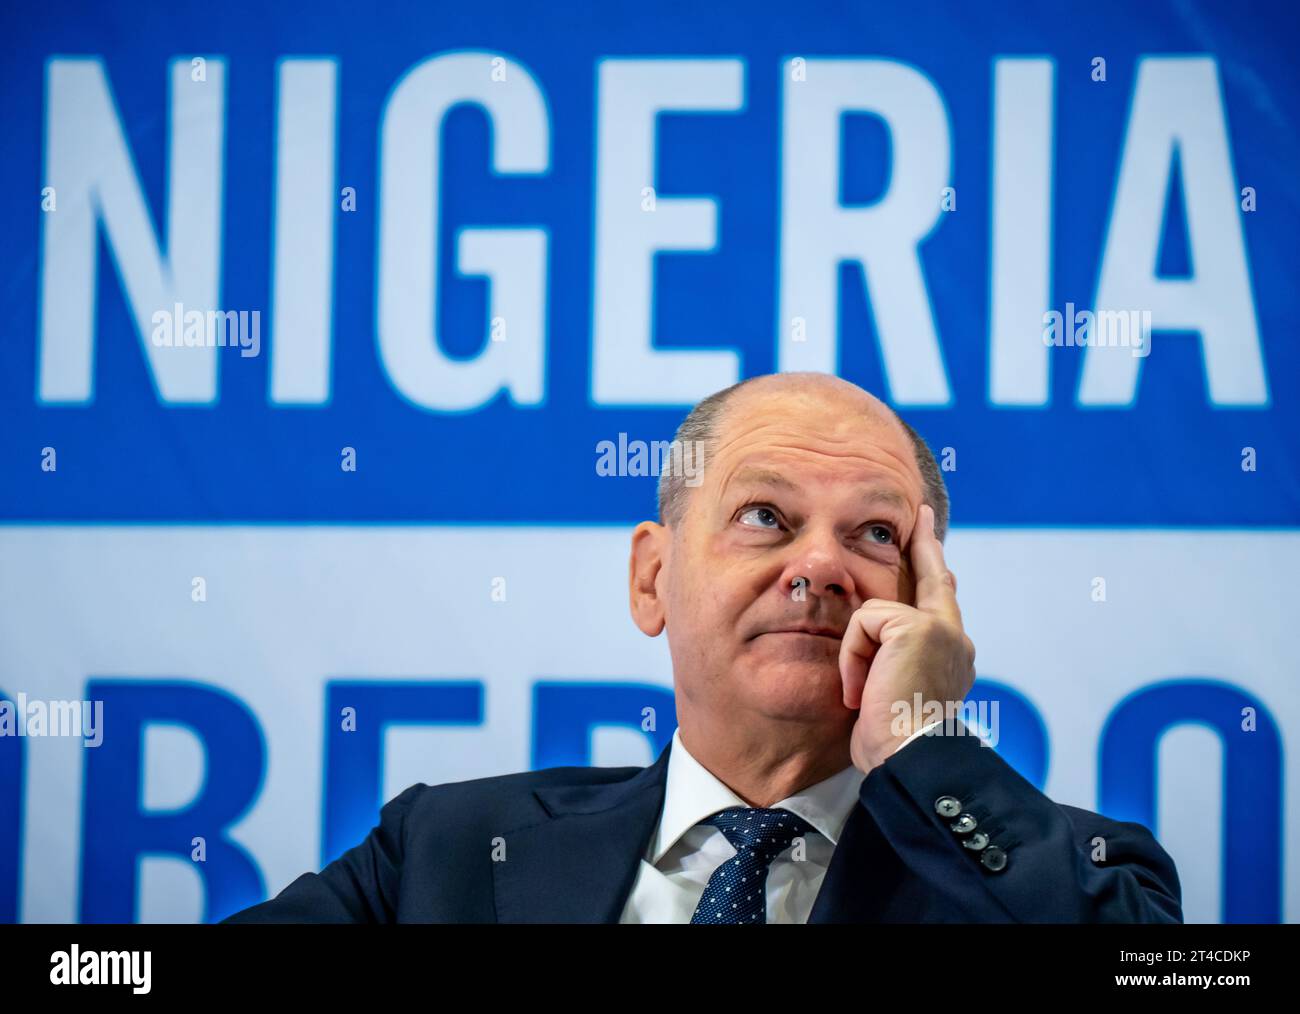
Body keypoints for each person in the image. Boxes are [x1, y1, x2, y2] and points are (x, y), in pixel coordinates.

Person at [222, 372, 1182, 923]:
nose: (819, 566)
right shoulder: (445, 855)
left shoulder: (1068, 873)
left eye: (876, 534)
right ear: (653, 579)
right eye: (765, 515)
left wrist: (927, 747)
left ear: (928, 599)